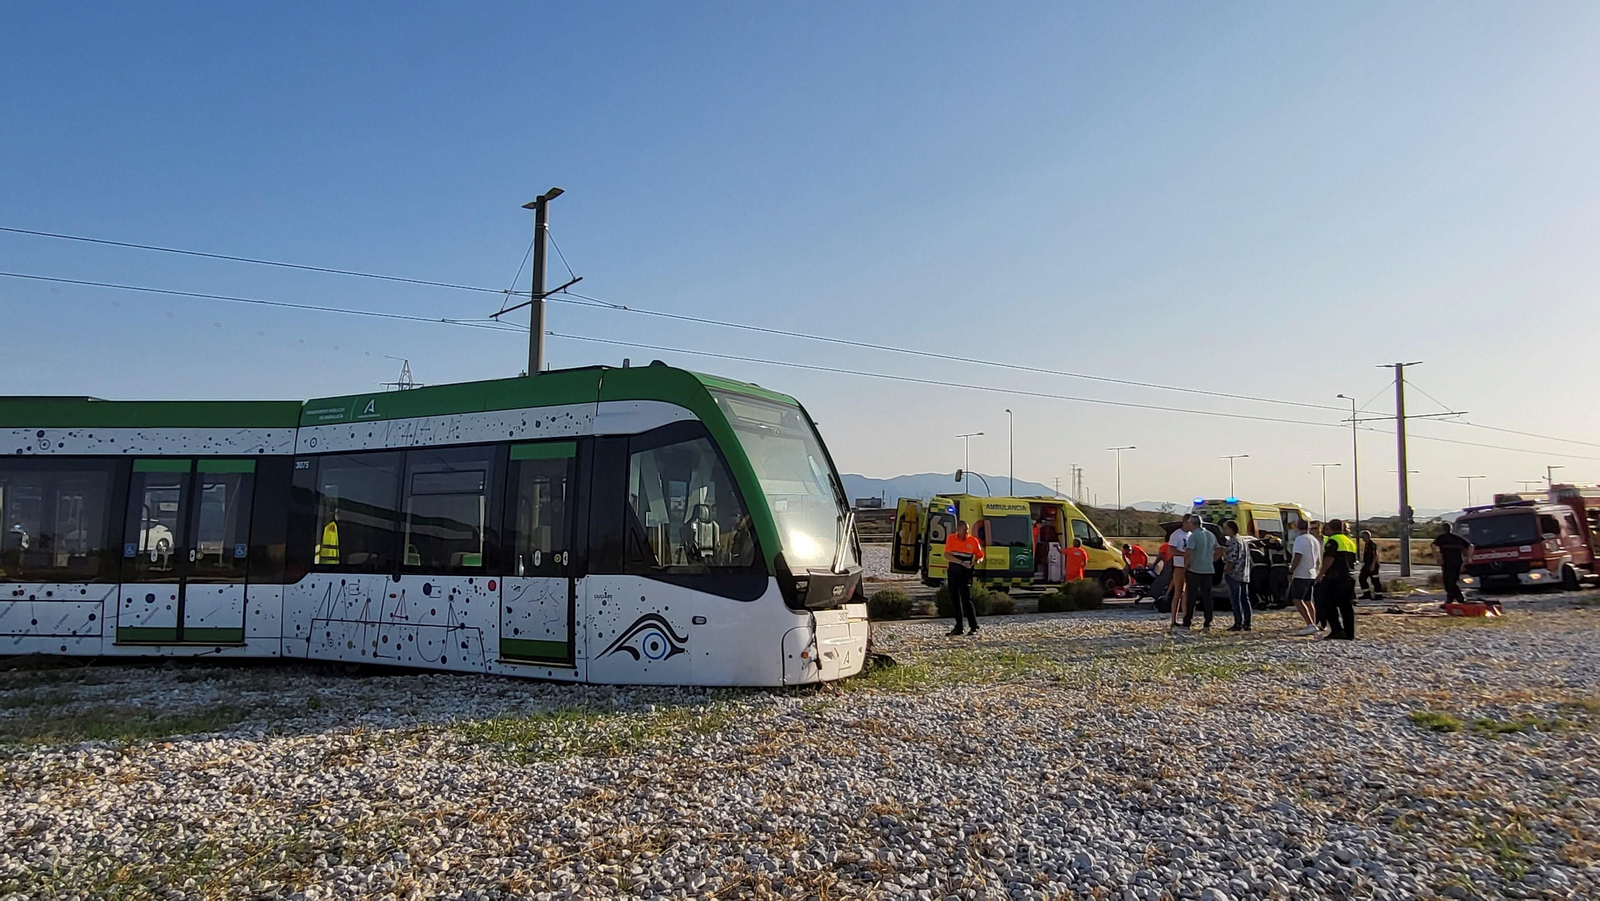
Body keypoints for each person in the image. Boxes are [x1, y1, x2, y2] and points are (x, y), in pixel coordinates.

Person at [944, 520, 986, 636]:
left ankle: (974, 626)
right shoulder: (951, 539)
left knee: (966, 599)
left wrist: (976, 562)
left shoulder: (973, 540)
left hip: (966, 573)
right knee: (955, 599)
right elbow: (947, 554)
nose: (967, 532)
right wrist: (961, 562)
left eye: (967, 529)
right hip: (953, 572)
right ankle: (959, 627)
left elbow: (980, 556)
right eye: (964, 529)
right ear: (958, 530)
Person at [1317, 519, 1357, 639]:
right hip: (1348, 577)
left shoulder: (1333, 540)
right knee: (1346, 607)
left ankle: (1337, 630)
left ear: (1331, 528)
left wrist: (1321, 574)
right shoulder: (1349, 541)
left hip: (1334, 578)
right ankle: (1349, 633)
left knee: (1328, 604)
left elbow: (1330, 558)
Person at [1181, 516, 1222, 631]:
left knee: (1191, 596)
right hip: (1208, 569)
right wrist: (1212, 560)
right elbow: (1219, 549)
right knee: (1207, 596)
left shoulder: (1193, 536)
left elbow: (1188, 552)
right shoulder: (1210, 534)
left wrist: (1186, 565)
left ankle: (1188, 620)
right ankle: (1208, 620)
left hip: (1195, 569)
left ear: (1193, 524)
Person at [1289, 521, 1322, 635]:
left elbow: (1298, 555)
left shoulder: (1300, 539)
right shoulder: (1314, 540)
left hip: (1301, 573)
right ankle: (1313, 622)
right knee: (1308, 600)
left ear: (1297, 527)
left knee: (1297, 599)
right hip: (1311, 573)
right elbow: (1318, 560)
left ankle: (1310, 624)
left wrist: (1291, 570)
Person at [1222, 521, 1253, 631]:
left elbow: (1231, 558)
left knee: (1236, 599)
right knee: (1245, 599)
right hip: (1244, 574)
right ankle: (1247, 623)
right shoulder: (1243, 540)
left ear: (1231, 529)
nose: (1224, 530)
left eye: (1226, 528)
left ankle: (1238, 623)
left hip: (1234, 574)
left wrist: (1226, 570)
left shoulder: (1232, 542)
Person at [1432, 521, 1471, 605]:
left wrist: (1437, 557)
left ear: (1443, 529)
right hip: (1457, 562)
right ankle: (1451, 599)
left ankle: (1459, 598)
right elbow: (1470, 546)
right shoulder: (1457, 538)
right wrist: (1468, 557)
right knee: (1452, 580)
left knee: (1448, 581)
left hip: (1447, 562)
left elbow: (1433, 545)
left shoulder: (1441, 538)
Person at [1168, 519, 1192, 627]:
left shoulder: (1191, 535)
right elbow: (1171, 550)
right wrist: (1184, 554)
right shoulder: (1177, 534)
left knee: (1186, 594)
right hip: (1179, 566)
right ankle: (1174, 619)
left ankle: (1185, 618)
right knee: (1178, 592)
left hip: (1189, 566)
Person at [1261, 530, 1289, 608]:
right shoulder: (1284, 550)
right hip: (1284, 570)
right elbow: (1289, 559)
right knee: (1283, 586)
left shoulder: (1269, 550)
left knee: (1274, 586)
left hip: (1274, 570)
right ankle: (1282, 600)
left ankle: (1276, 601)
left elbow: (1266, 561)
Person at [1358, 529, 1384, 600]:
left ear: (1367, 536)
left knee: (1375, 580)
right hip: (1367, 564)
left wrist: (1372, 565)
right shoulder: (1366, 545)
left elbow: (1375, 555)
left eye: (1363, 537)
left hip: (1373, 565)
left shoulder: (1372, 545)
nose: (1362, 538)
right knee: (1362, 578)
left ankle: (1378, 595)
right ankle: (1366, 594)